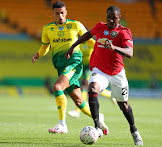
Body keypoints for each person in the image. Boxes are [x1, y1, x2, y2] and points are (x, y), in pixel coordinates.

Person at [65, 5, 143, 145]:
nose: (111, 20)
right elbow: (88, 34)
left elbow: (130, 53)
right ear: (106, 17)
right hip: (100, 70)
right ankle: (97, 127)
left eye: (114, 18)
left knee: (123, 105)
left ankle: (134, 130)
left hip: (117, 73)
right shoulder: (100, 27)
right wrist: (73, 46)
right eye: (109, 17)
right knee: (92, 88)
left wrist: (114, 47)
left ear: (119, 18)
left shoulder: (124, 32)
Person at [32, 1, 108, 136]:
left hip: (74, 62)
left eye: (62, 13)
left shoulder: (76, 25)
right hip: (61, 66)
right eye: (57, 13)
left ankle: (62, 124)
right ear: (53, 14)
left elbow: (90, 41)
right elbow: (45, 47)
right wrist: (38, 54)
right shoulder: (48, 29)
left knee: (57, 87)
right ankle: (98, 118)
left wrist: (101, 49)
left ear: (66, 12)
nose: (60, 16)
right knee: (79, 102)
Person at [68, 41, 117, 118]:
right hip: (81, 66)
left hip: (90, 66)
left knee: (84, 85)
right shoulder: (78, 44)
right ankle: (109, 94)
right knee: (90, 87)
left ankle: (77, 111)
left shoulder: (90, 43)